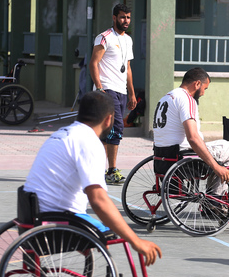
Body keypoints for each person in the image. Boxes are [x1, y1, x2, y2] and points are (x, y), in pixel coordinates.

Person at [23, 91, 161, 266]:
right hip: (58, 220)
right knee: (114, 233)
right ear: (108, 119)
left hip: (32, 214)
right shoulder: (89, 141)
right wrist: (136, 240)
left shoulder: (61, 133)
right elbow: (98, 200)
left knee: (102, 229)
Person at [152, 67, 229, 185]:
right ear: (197, 84)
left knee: (222, 146)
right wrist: (216, 167)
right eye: (204, 88)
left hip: (162, 157)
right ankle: (215, 198)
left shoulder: (166, 97)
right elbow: (192, 138)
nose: (203, 93)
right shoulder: (187, 99)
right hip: (184, 156)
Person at [89, 3, 137, 185]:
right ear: (114, 17)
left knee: (108, 132)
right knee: (117, 128)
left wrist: (132, 93)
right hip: (106, 89)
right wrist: (99, 87)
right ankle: (111, 170)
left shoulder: (128, 40)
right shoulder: (104, 37)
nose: (126, 20)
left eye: (128, 17)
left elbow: (128, 69)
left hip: (121, 91)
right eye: (123, 17)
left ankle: (95, 167)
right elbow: (94, 63)